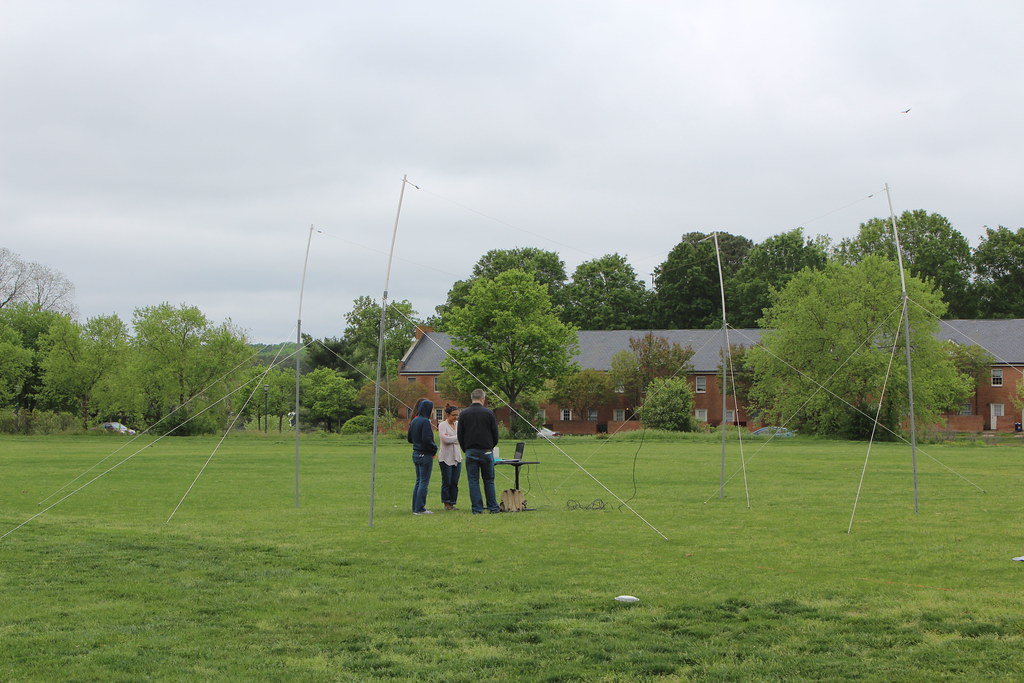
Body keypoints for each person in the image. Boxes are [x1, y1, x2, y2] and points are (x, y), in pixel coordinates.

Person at [457, 388, 501, 514]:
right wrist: (491, 446)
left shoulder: (464, 413)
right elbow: (495, 433)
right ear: (483, 398)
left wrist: (465, 448)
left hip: (470, 450)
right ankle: (493, 507)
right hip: (486, 450)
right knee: (489, 480)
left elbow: (460, 434)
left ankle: (477, 508)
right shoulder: (489, 413)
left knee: (473, 481)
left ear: (472, 398)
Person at [407, 399, 437, 515]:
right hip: (425, 454)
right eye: (432, 409)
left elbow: (410, 439)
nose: (432, 411)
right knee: (424, 481)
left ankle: (415, 507)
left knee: (419, 481)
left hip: (416, 453)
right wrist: (434, 449)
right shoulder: (425, 422)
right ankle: (420, 508)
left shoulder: (414, 420)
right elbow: (427, 439)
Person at [437, 405, 462, 510]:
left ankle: (452, 502)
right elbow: (445, 440)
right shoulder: (442, 425)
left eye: (457, 415)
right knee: (447, 481)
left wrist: (453, 438)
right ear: (447, 415)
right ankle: (446, 503)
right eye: (453, 415)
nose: (455, 417)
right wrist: (457, 437)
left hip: (457, 457)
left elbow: (463, 437)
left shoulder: (458, 424)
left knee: (455, 481)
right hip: (445, 457)